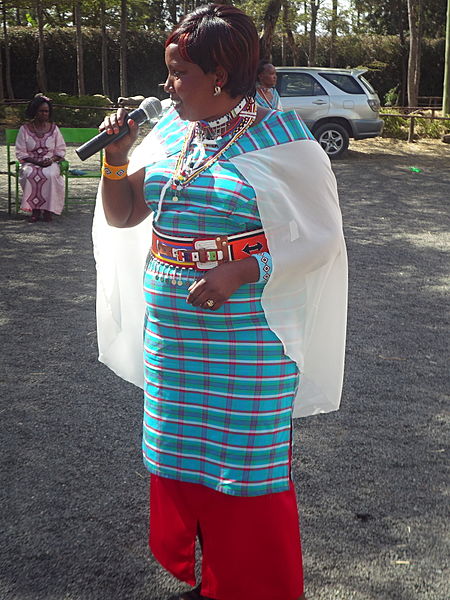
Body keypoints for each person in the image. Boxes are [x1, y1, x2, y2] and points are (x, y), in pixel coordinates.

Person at [93, 4, 347, 600]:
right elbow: (125, 214)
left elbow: (321, 237)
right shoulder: (175, 132)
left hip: (247, 344)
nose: (167, 85)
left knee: (246, 473)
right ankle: (204, 573)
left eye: (178, 72)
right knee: (178, 457)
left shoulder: (284, 138)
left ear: (219, 75)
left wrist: (243, 269)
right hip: (174, 342)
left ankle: (253, 586)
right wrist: (117, 155)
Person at [15, 95, 66, 223]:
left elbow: (60, 150)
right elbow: (20, 152)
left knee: (51, 174)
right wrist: (36, 162)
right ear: (34, 112)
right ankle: (35, 210)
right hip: (30, 162)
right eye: (41, 111)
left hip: (50, 161)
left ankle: (48, 210)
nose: (44, 114)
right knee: (30, 174)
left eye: (46, 111)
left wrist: (51, 160)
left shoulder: (54, 129)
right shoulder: (25, 129)